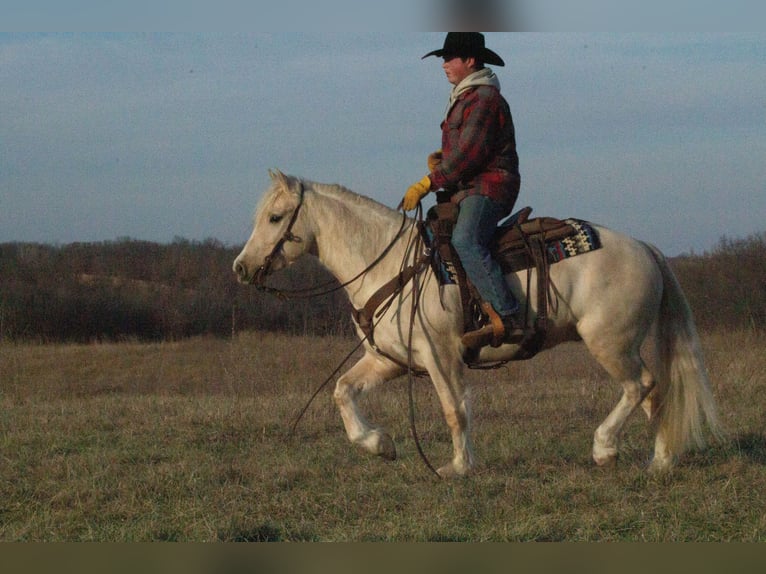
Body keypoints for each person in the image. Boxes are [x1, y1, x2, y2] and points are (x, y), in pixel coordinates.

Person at [402, 32, 527, 349]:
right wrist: (443, 161)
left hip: (489, 186)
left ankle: (509, 314)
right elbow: (465, 153)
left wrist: (428, 182)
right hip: (467, 187)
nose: (443, 65)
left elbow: (471, 154)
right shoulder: (465, 98)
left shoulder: (484, 98)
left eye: (449, 58)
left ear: (470, 60)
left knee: (465, 240)